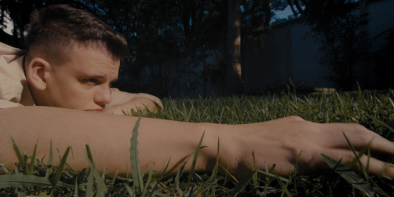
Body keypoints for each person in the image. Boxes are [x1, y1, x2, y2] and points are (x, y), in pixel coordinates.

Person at [0, 5, 393, 179]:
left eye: (110, 83)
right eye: (91, 81)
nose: (105, 96)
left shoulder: (72, 86)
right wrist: (234, 143)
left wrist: (114, 111)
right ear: (39, 72)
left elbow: (147, 101)